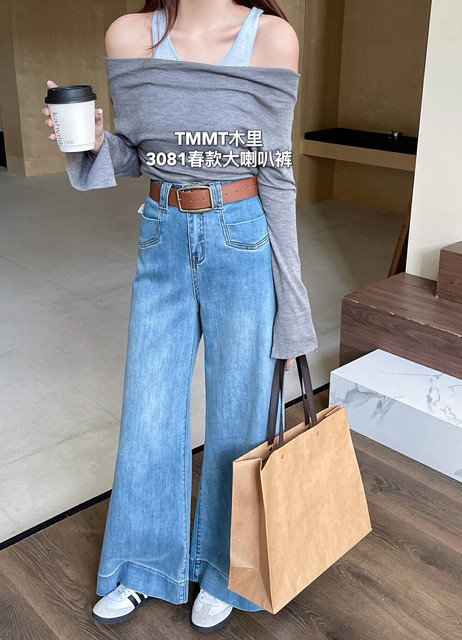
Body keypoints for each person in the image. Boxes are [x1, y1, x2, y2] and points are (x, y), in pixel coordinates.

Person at [43, 0, 318, 632]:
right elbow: (138, 154)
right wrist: (91, 142)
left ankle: (226, 569)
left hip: (242, 237)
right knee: (149, 409)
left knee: (240, 416)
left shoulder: (271, 38)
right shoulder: (127, 35)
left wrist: (294, 303)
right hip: (163, 234)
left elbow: (276, 173)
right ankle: (142, 566)